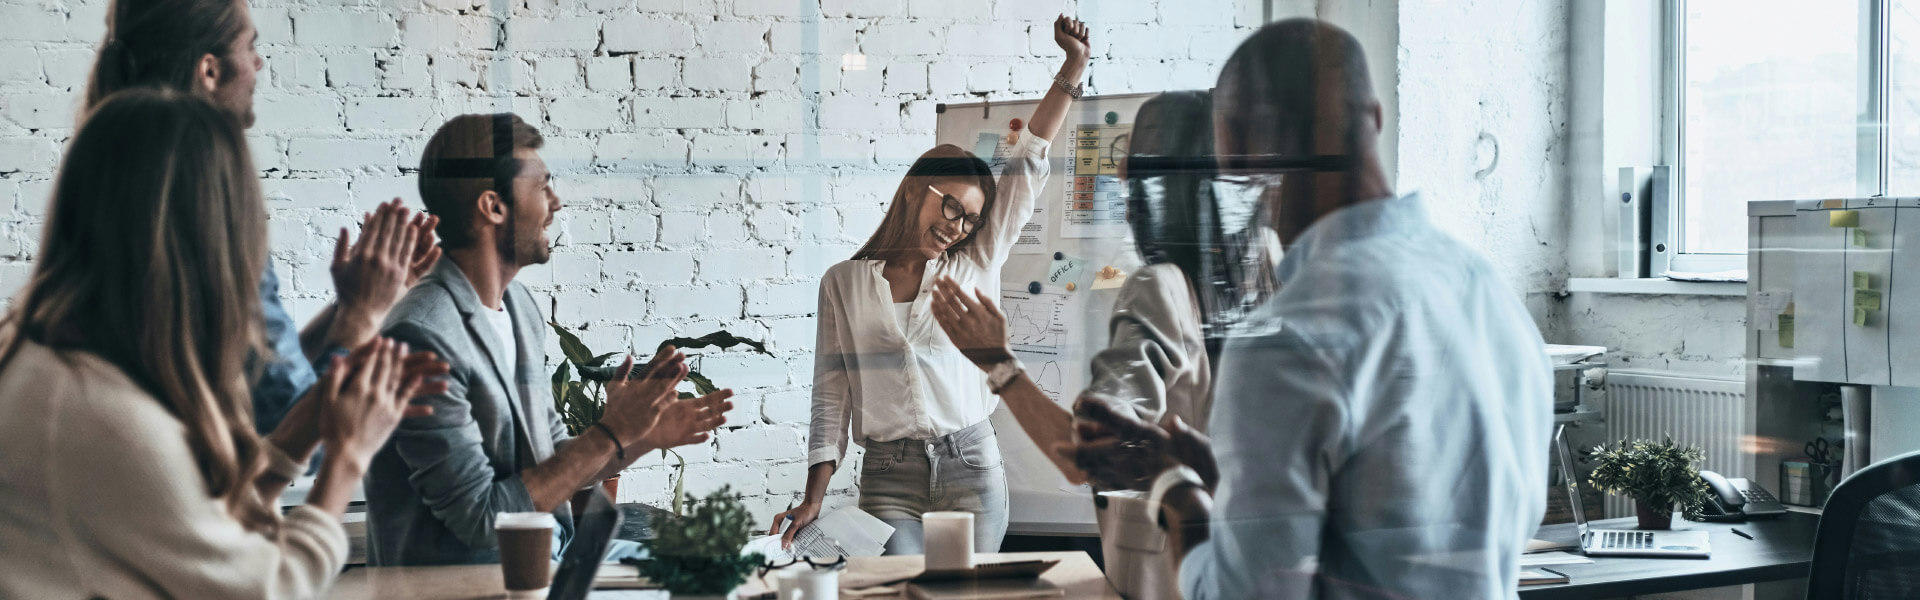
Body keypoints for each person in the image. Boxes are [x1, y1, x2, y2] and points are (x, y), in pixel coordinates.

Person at [1060, 19, 1553, 599]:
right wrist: (1220, 472)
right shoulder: (1487, 292)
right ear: (1374, 117)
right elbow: (1398, 511)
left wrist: (1174, 485)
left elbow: (1239, 594)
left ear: (1235, 149)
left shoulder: (1286, 338)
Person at [0, 88, 437, 599]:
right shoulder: (104, 418)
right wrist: (348, 458)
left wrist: (296, 437)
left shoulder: (43, 357)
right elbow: (266, 588)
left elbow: (199, 525)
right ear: (210, 241)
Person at [927, 90, 1275, 599]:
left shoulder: (1162, 289)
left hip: (1178, 573)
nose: (1119, 176)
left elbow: (1083, 456)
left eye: (1135, 163)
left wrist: (999, 364)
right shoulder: (1273, 269)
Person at [766, 15, 1093, 555]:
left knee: (965, 592)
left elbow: (1029, 156)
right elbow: (831, 395)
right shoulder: (842, 284)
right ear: (917, 190)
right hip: (889, 476)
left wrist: (1072, 67)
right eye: (951, 207)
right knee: (900, 586)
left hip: (972, 466)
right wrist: (812, 498)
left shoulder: (975, 262)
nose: (958, 227)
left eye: (970, 219)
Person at [364, 113, 735, 566]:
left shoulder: (518, 307)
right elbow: (482, 520)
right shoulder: (421, 337)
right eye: (542, 186)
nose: (555, 203)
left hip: (547, 556)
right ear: (493, 207)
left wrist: (640, 436)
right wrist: (612, 432)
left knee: (716, 566)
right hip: (471, 580)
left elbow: (553, 461)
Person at [83, 0, 441, 434]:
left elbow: (260, 385)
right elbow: (290, 431)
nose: (259, 64)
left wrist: (356, 302)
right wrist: (362, 316)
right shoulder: (203, 205)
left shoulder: (118, 175)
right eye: (250, 47)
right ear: (210, 71)